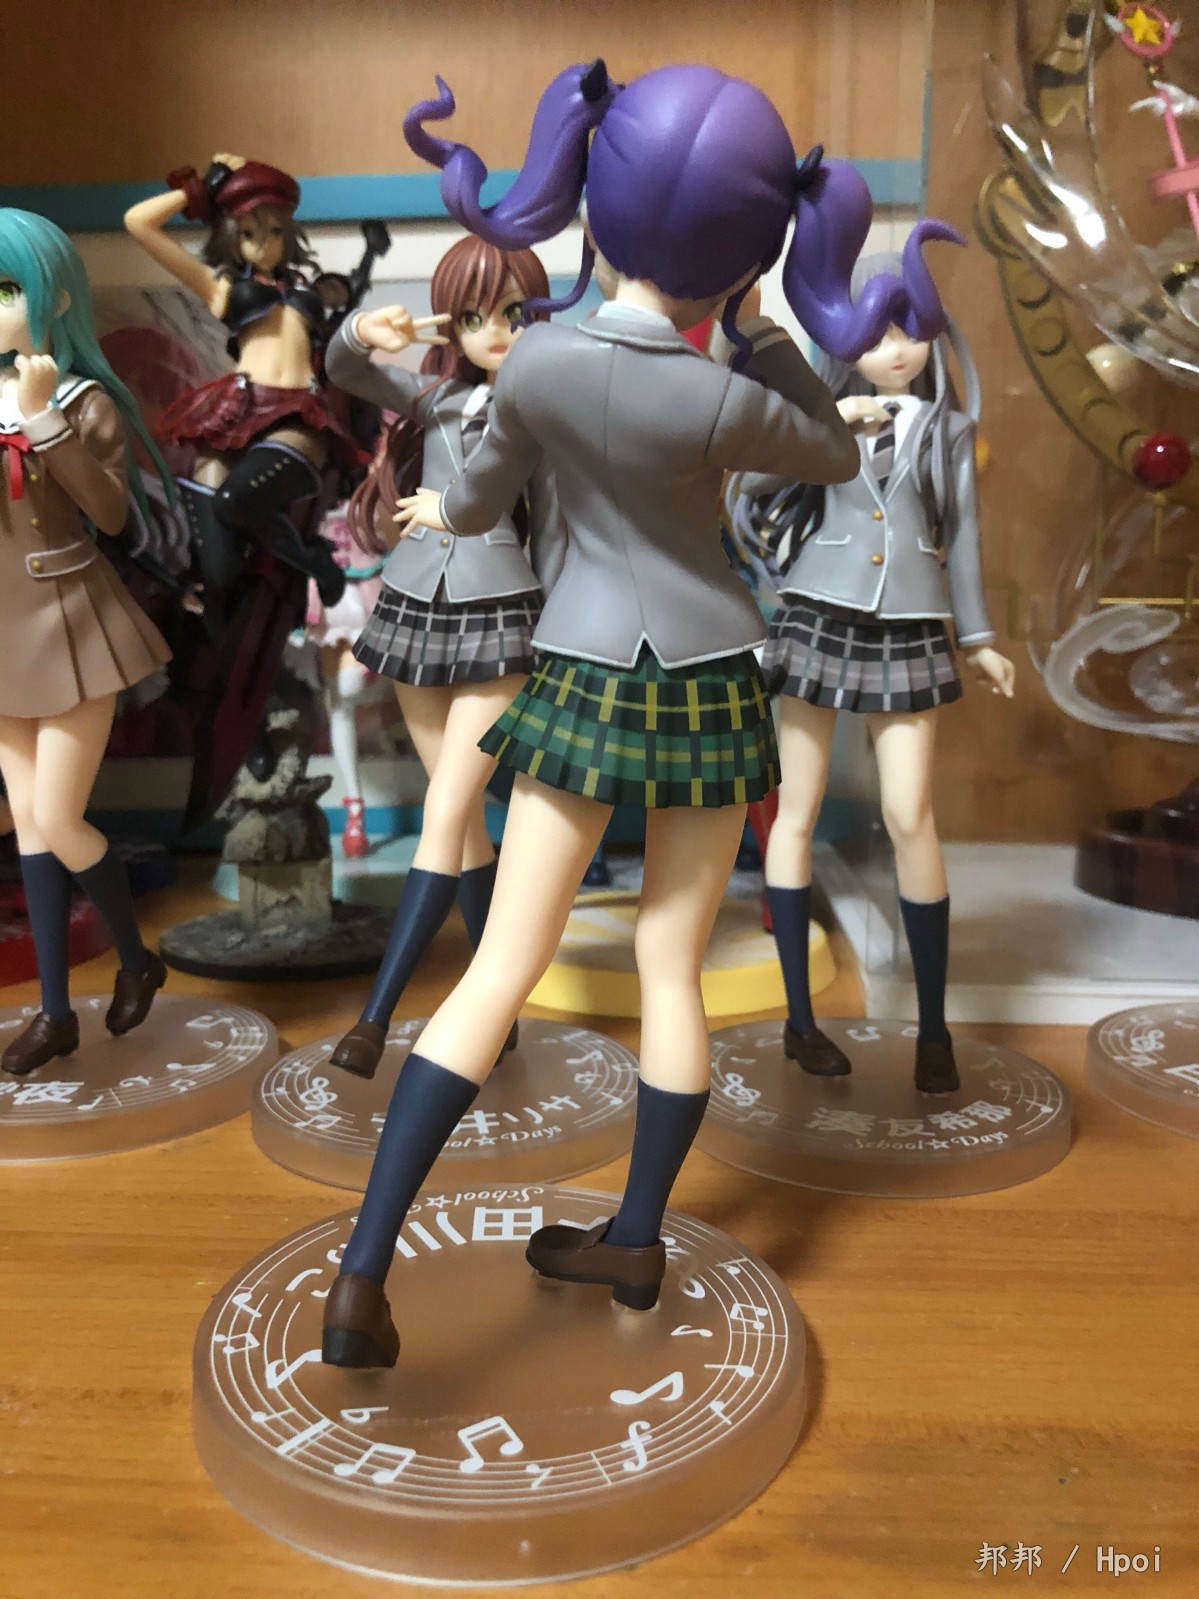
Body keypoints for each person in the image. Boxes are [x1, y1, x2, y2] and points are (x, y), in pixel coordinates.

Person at [320, 61, 958, 1369]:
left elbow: (475, 505)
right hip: (711, 676)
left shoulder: (538, 364)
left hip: (580, 668)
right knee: (671, 963)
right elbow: (833, 451)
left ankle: (362, 1272)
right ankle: (635, 1235)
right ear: (745, 257)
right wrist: (757, 331)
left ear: (593, 214)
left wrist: (416, 504)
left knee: (500, 964)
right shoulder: (723, 390)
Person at [729, 253, 1015, 1092]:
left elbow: (964, 538)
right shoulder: (824, 417)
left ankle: (932, 1028)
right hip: (816, 613)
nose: (895, 348)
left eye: (911, 327)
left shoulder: (948, 431)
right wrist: (822, 428)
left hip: (910, 625)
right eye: (875, 331)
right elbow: (747, 486)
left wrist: (978, 635)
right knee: (795, 812)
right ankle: (799, 1020)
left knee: (908, 812)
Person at [0, 210, 173, 1075]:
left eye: (6, 288)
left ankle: (138, 961)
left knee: (58, 817)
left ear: (53, 297)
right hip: (2, 635)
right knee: (29, 829)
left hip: (71, 621)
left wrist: (45, 424)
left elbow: (109, 513)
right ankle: (57, 1013)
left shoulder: (79, 401)